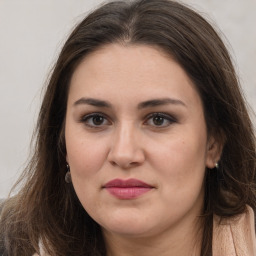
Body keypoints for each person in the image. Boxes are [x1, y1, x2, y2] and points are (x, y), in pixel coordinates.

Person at [0, 0, 256, 255]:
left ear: (214, 142)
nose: (123, 154)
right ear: (61, 140)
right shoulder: (10, 243)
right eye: (96, 119)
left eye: (159, 119)